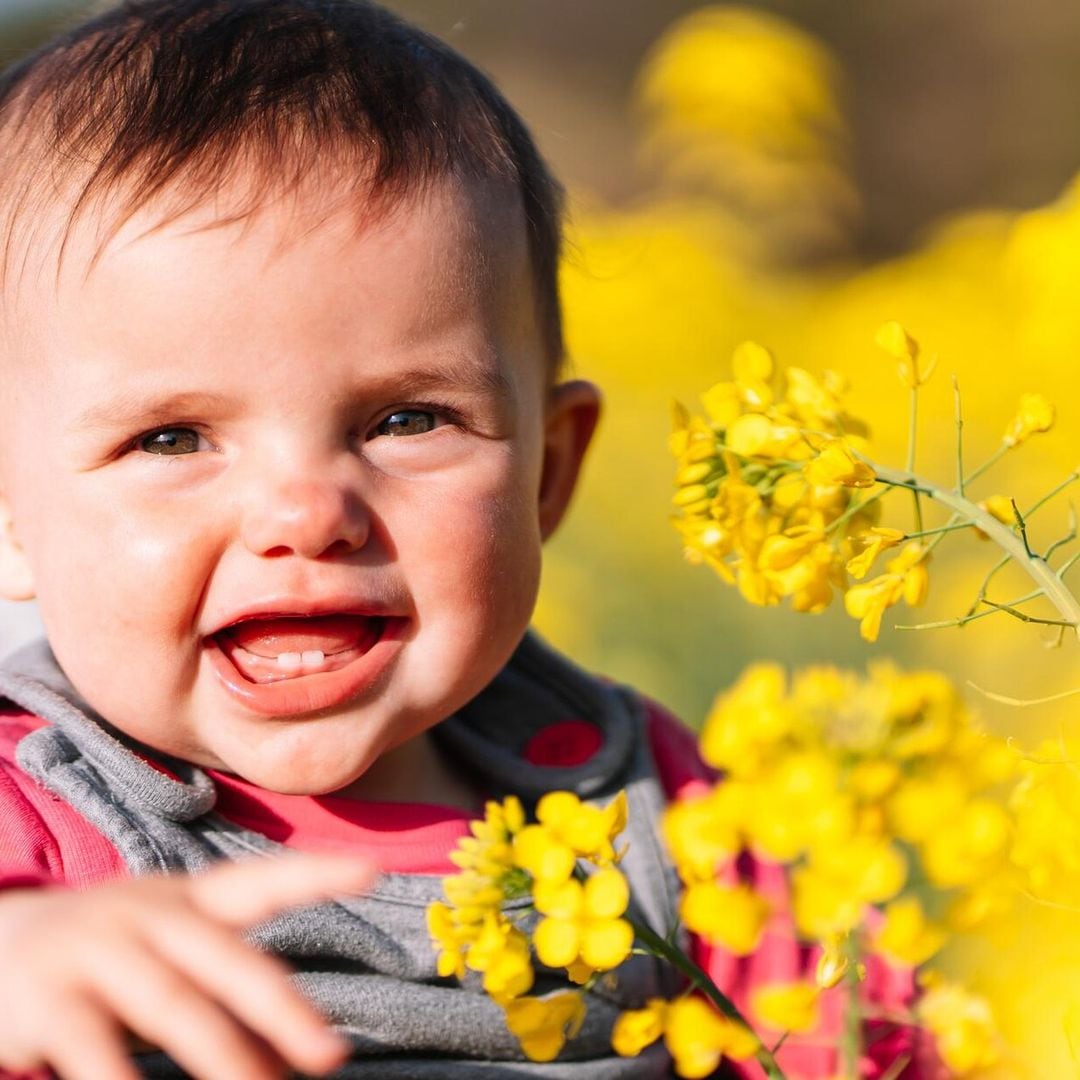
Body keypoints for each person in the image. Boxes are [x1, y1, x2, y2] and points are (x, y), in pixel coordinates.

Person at [0, 2, 919, 1077]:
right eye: (172, 437)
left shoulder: (650, 802)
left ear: (547, 473)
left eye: (406, 421)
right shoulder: (38, 814)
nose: (307, 515)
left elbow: (872, 1043)